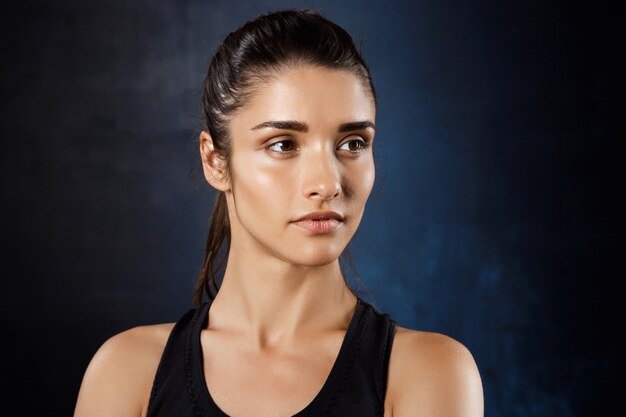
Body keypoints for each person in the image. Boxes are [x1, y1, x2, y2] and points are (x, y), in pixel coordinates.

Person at [73, 8, 483, 417]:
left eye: (353, 143)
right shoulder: (127, 374)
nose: (328, 182)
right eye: (283, 144)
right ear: (216, 161)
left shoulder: (428, 373)